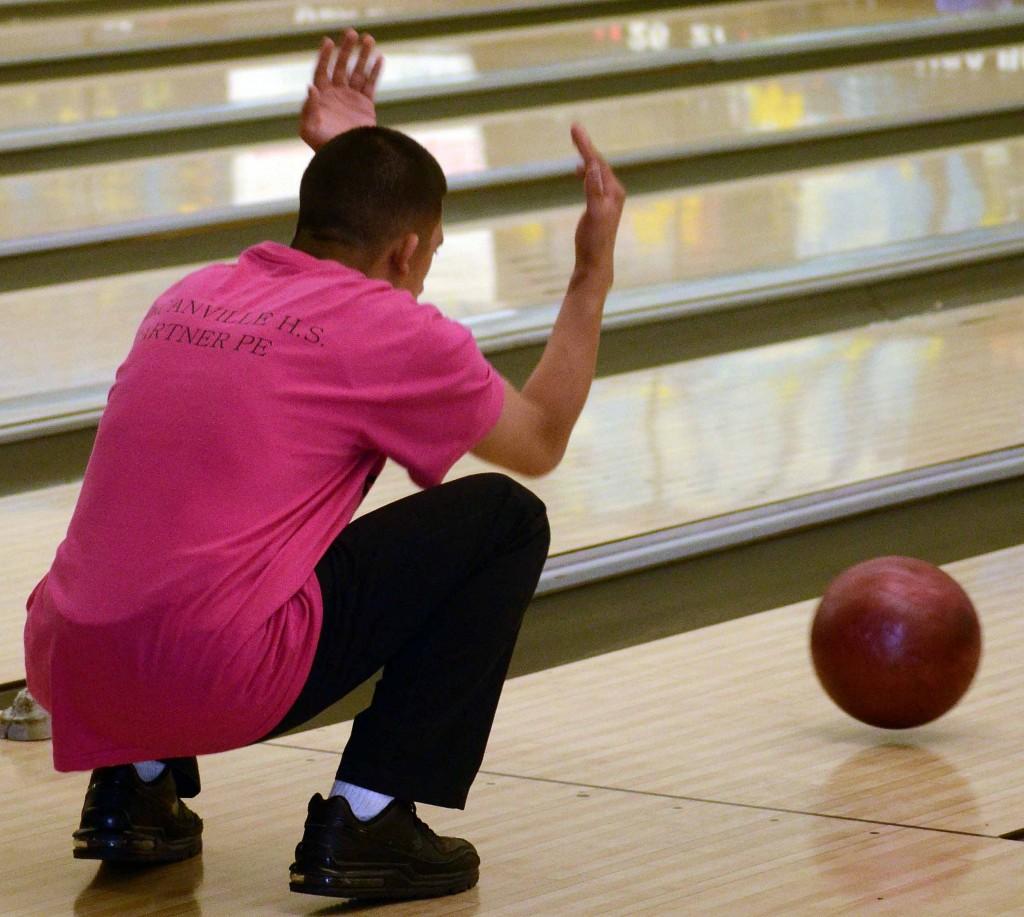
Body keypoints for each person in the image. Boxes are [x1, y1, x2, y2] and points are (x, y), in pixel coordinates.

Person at [23, 29, 625, 902]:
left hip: (66, 664)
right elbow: (539, 440)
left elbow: (326, 288)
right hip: (218, 676)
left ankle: (136, 787)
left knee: (192, 524)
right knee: (502, 518)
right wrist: (590, 274)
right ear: (411, 252)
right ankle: (370, 816)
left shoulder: (191, 293)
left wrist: (349, 158)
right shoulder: (394, 330)